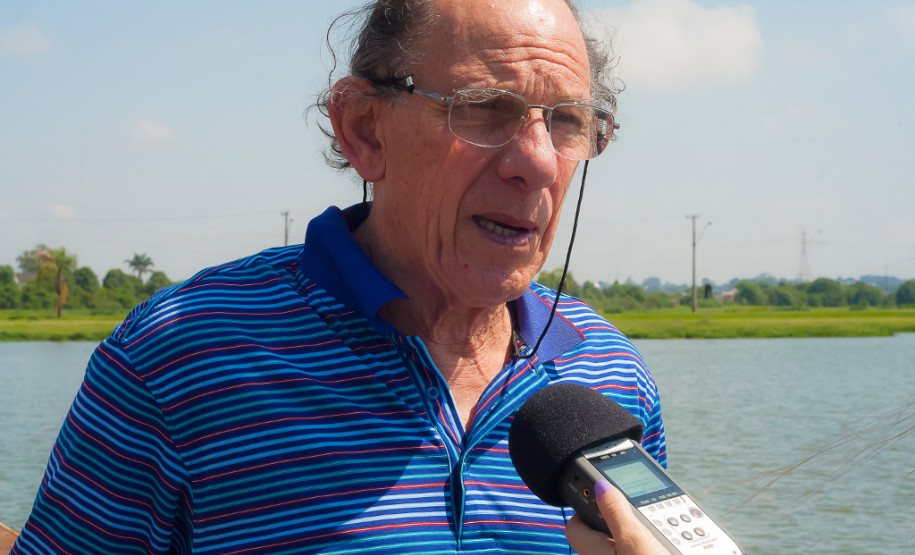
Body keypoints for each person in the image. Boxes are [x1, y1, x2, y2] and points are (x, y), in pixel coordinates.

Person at [13, 0, 667, 553]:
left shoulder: (611, 375)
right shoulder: (180, 356)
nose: (537, 162)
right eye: (484, 108)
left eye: (566, 120)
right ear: (364, 130)